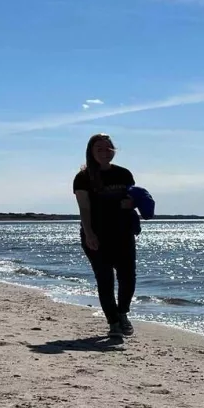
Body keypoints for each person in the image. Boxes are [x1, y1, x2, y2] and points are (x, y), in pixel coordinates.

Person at [73, 133, 139, 338]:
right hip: (96, 235)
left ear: (113, 150)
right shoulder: (83, 178)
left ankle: (122, 313)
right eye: (99, 149)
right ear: (91, 152)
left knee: (128, 277)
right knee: (105, 280)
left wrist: (132, 204)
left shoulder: (124, 174)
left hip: (123, 233)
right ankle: (113, 322)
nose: (104, 152)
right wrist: (90, 233)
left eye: (107, 148)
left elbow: (134, 198)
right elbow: (84, 208)